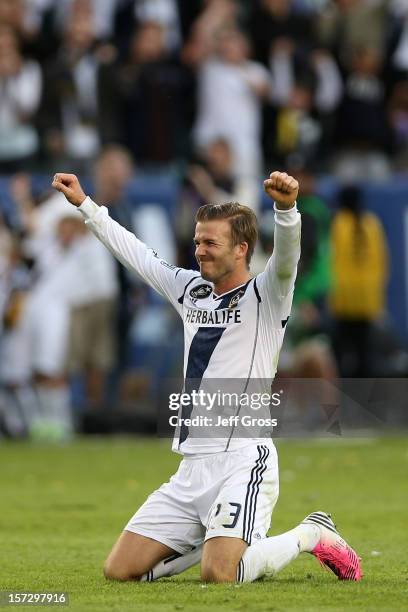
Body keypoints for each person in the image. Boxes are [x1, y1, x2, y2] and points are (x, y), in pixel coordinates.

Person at [52, 170, 362, 583]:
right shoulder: (190, 290)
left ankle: (310, 533)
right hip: (191, 469)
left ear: (241, 249)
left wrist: (286, 211)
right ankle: (213, 535)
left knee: (219, 574)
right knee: (119, 572)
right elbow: (139, 255)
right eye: (197, 241)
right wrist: (86, 205)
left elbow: (287, 259)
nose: (199, 250)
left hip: (243, 461)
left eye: (210, 242)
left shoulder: (267, 295)